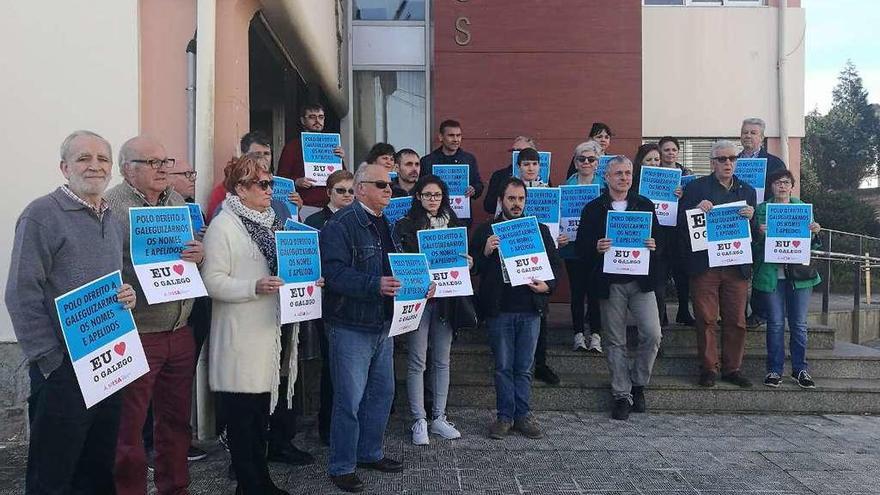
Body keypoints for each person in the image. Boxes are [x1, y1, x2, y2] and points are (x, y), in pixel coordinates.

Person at [6, 130, 137, 494]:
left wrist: (126, 295)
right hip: (63, 369)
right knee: (53, 475)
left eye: (102, 159)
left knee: (97, 468)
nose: (94, 165)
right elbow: (21, 293)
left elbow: (113, 278)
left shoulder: (111, 217)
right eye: (83, 158)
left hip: (108, 362)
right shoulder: (41, 216)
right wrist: (51, 362)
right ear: (64, 167)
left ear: (112, 168)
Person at [321, 163, 435, 493]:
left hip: (383, 325)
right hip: (350, 325)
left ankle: (370, 452)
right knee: (349, 399)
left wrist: (420, 285)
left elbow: (399, 267)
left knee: (382, 394)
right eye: (382, 185)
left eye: (389, 186)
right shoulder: (341, 225)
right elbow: (335, 275)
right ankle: (342, 465)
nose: (389, 190)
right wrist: (375, 284)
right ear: (360, 189)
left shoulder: (386, 224)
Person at [201, 154, 311, 494]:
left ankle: (261, 481)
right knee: (243, 420)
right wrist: (253, 287)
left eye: (271, 183)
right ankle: (249, 485)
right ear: (240, 188)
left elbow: (288, 268)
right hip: (239, 337)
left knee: (260, 415)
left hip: (269, 333)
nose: (269, 190)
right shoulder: (224, 225)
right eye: (262, 184)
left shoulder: (273, 222)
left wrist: (308, 280)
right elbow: (212, 281)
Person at [105, 135, 205, 495]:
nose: (163, 169)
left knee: (176, 421)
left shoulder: (176, 200)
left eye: (166, 162)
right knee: (129, 427)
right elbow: (105, 270)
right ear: (127, 169)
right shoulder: (111, 208)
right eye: (153, 163)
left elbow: (186, 257)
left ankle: (174, 487)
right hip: (139, 332)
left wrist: (198, 253)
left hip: (179, 329)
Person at [470, 176, 561, 440]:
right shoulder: (487, 230)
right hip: (500, 310)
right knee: (503, 366)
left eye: (521, 199)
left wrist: (548, 286)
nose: (517, 203)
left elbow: (555, 266)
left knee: (524, 367)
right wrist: (485, 253)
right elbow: (473, 267)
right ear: (501, 201)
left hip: (530, 309)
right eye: (511, 198)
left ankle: (523, 415)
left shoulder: (540, 230)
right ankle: (504, 416)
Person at [577, 156, 663, 421]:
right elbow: (581, 247)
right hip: (610, 283)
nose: (624, 178)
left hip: (641, 281)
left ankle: (638, 383)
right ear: (607, 176)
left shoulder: (644, 204)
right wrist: (596, 246)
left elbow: (659, 241)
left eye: (628, 173)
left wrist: (653, 244)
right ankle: (621, 394)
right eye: (618, 173)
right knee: (615, 341)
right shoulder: (594, 208)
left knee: (653, 334)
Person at [394, 175, 472, 445]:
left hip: (446, 302)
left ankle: (438, 417)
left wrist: (467, 264)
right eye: (427, 195)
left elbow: (461, 261)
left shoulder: (455, 224)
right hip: (419, 301)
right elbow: (402, 262)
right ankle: (419, 419)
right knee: (417, 360)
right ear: (418, 197)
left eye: (437, 195)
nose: (433, 200)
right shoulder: (405, 225)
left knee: (442, 360)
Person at [678, 140, 757, 389]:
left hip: (736, 265)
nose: (727, 163)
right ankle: (709, 368)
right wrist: (696, 210)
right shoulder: (696, 188)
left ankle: (733, 368)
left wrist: (753, 217)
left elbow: (753, 232)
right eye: (722, 159)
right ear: (712, 162)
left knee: (736, 320)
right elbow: (681, 225)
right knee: (706, 319)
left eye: (732, 159)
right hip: (706, 266)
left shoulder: (747, 190)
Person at [753, 169, 821, 389]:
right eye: (777, 182)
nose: (781, 186)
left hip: (799, 277)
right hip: (772, 276)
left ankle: (800, 369)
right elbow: (752, 246)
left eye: (785, 182)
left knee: (799, 324)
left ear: (792, 186)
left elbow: (813, 246)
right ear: (771, 187)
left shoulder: (803, 209)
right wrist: (759, 234)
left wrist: (815, 232)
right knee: (775, 324)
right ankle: (774, 370)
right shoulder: (761, 210)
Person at [303, 169, 355, 444]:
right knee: (331, 367)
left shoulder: (359, 220)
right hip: (324, 301)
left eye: (351, 191)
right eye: (341, 191)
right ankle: (327, 426)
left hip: (352, 301)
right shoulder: (314, 221)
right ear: (328, 193)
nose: (347, 195)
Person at [514, 148, 563, 385]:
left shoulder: (548, 190)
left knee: (540, 311)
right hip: (517, 255)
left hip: (542, 255)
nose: (531, 168)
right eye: (526, 164)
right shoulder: (511, 190)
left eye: (535, 163)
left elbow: (557, 222)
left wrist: (561, 236)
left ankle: (541, 364)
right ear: (519, 166)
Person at [739, 117, 787, 328]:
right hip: (738, 220)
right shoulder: (734, 160)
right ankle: (737, 313)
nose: (748, 136)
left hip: (763, 220)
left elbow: (782, 192)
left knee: (759, 267)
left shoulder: (775, 163)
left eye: (753, 132)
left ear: (762, 137)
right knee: (737, 269)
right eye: (745, 132)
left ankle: (758, 313)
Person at [632, 143, 686, 329]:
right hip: (645, 241)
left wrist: (679, 196)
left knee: (665, 282)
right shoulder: (633, 183)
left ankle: (662, 322)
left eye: (656, 159)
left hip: (667, 237)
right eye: (649, 160)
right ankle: (654, 321)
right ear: (641, 162)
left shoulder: (671, 181)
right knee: (654, 284)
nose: (654, 163)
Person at [207, 131, 303, 221]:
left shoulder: (281, 204)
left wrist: (295, 211)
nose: (262, 158)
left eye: (266, 154)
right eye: (257, 154)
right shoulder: (222, 192)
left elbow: (289, 232)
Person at [564, 140, 604, 353]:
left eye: (591, 159)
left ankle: (596, 335)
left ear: (598, 163)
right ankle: (578, 334)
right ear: (575, 162)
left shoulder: (605, 187)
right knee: (577, 293)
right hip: (572, 248)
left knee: (595, 293)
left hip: (598, 248)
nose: (586, 162)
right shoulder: (565, 186)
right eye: (581, 159)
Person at [276, 102, 346, 209]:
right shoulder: (292, 147)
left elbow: (343, 178)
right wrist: (297, 181)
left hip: (332, 206)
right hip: (305, 206)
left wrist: (340, 159)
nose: (317, 121)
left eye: (321, 117)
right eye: (312, 117)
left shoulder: (332, 146)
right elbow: (281, 178)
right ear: (303, 120)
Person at [657, 136, 696, 325]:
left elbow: (694, 201)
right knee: (661, 273)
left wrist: (683, 195)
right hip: (661, 229)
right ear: (660, 152)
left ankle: (683, 310)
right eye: (666, 150)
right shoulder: (653, 173)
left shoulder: (686, 172)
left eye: (673, 149)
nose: (670, 153)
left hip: (681, 229)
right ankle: (661, 313)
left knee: (682, 272)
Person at [419, 119, 484, 219]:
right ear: (441, 137)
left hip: (461, 217)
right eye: (451, 135)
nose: (456, 139)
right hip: (433, 217)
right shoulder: (427, 161)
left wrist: (474, 190)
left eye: (458, 135)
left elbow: (479, 184)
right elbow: (420, 188)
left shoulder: (469, 159)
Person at [483, 135, 535, 215]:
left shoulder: (541, 179)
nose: (516, 153)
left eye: (520, 151)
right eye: (513, 151)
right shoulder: (499, 176)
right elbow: (488, 206)